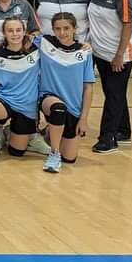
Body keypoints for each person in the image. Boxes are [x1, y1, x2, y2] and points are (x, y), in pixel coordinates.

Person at [87, 0, 132, 154]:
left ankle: (107, 138)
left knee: (114, 94)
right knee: (113, 92)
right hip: (100, 51)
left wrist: (119, 55)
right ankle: (123, 130)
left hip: (120, 54)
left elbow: (128, 23)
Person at [0, 17, 42, 165]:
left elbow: (61, 40)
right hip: (5, 100)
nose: (15, 34)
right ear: (4, 33)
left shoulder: (36, 50)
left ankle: (8, 132)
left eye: (18, 30)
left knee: (16, 152)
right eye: (10, 30)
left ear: (25, 32)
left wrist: (85, 45)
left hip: (26, 107)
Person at [37, 12, 95, 172]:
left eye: (66, 28)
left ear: (75, 29)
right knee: (58, 108)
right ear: (53, 30)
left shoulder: (84, 52)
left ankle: (50, 133)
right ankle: (54, 154)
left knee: (70, 158)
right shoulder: (44, 43)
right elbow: (18, 38)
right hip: (49, 100)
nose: (62, 33)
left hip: (73, 109)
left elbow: (88, 87)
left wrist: (83, 118)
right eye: (58, 29)